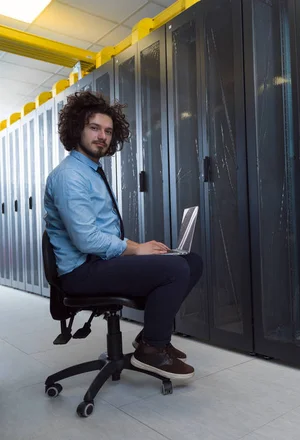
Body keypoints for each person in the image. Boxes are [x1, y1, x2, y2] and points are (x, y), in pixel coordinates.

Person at [44, 91, 202, 380]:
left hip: (97, 262)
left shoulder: (91, 171)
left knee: (191, 261)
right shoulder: (70, 176)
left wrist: (141, 247)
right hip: (81, 271)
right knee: (175, 269)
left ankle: (152, 338)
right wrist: (136, 250)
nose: (102, 136)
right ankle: (151, 351)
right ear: (77, 128)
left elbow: (104, 234)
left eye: (108, 131)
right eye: (94, 128)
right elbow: (86, 240)